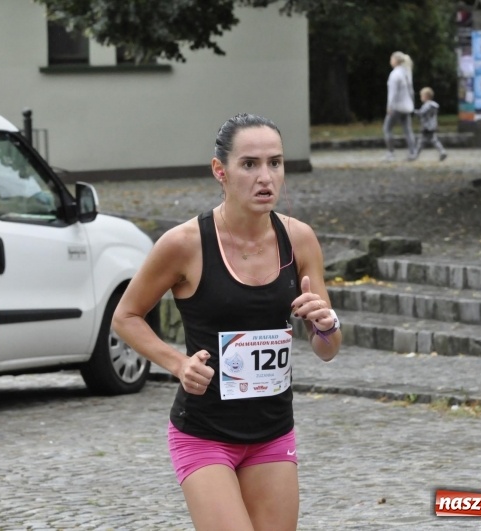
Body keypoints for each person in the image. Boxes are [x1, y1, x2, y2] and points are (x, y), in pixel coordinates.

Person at [111, 113, 342, 531]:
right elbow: (125, 316)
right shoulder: (185, 244)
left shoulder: (300, 239)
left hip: (273, 430)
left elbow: (327, 349)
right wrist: (178, 363)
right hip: (204, 433)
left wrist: (326, 325)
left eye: (275, 162)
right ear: (221, 170)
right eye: (249, 164)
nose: (265, 177)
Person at [383, 51, 416, 161]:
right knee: (408, 130)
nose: (390, 61)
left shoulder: (394, 74)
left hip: (396, 107)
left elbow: (392, 93)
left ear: (396, 60)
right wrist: (412, 103)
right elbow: (411, 91)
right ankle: (412, 153)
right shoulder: (407, 72)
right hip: (407, 107)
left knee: (387, 128)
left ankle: (390, 153)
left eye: (391, 59)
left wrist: (389, 106)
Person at [409, 87, 447, 162]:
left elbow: (421, 113)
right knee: (434, 140)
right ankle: (442, 151)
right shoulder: (434, 106)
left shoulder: (427, 106)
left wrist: (413, 112)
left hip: (426, 127)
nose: (421, 98)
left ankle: (415, 155)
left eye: (421, 96)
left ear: (426, 96)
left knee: (421, 142)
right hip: (432, 126)